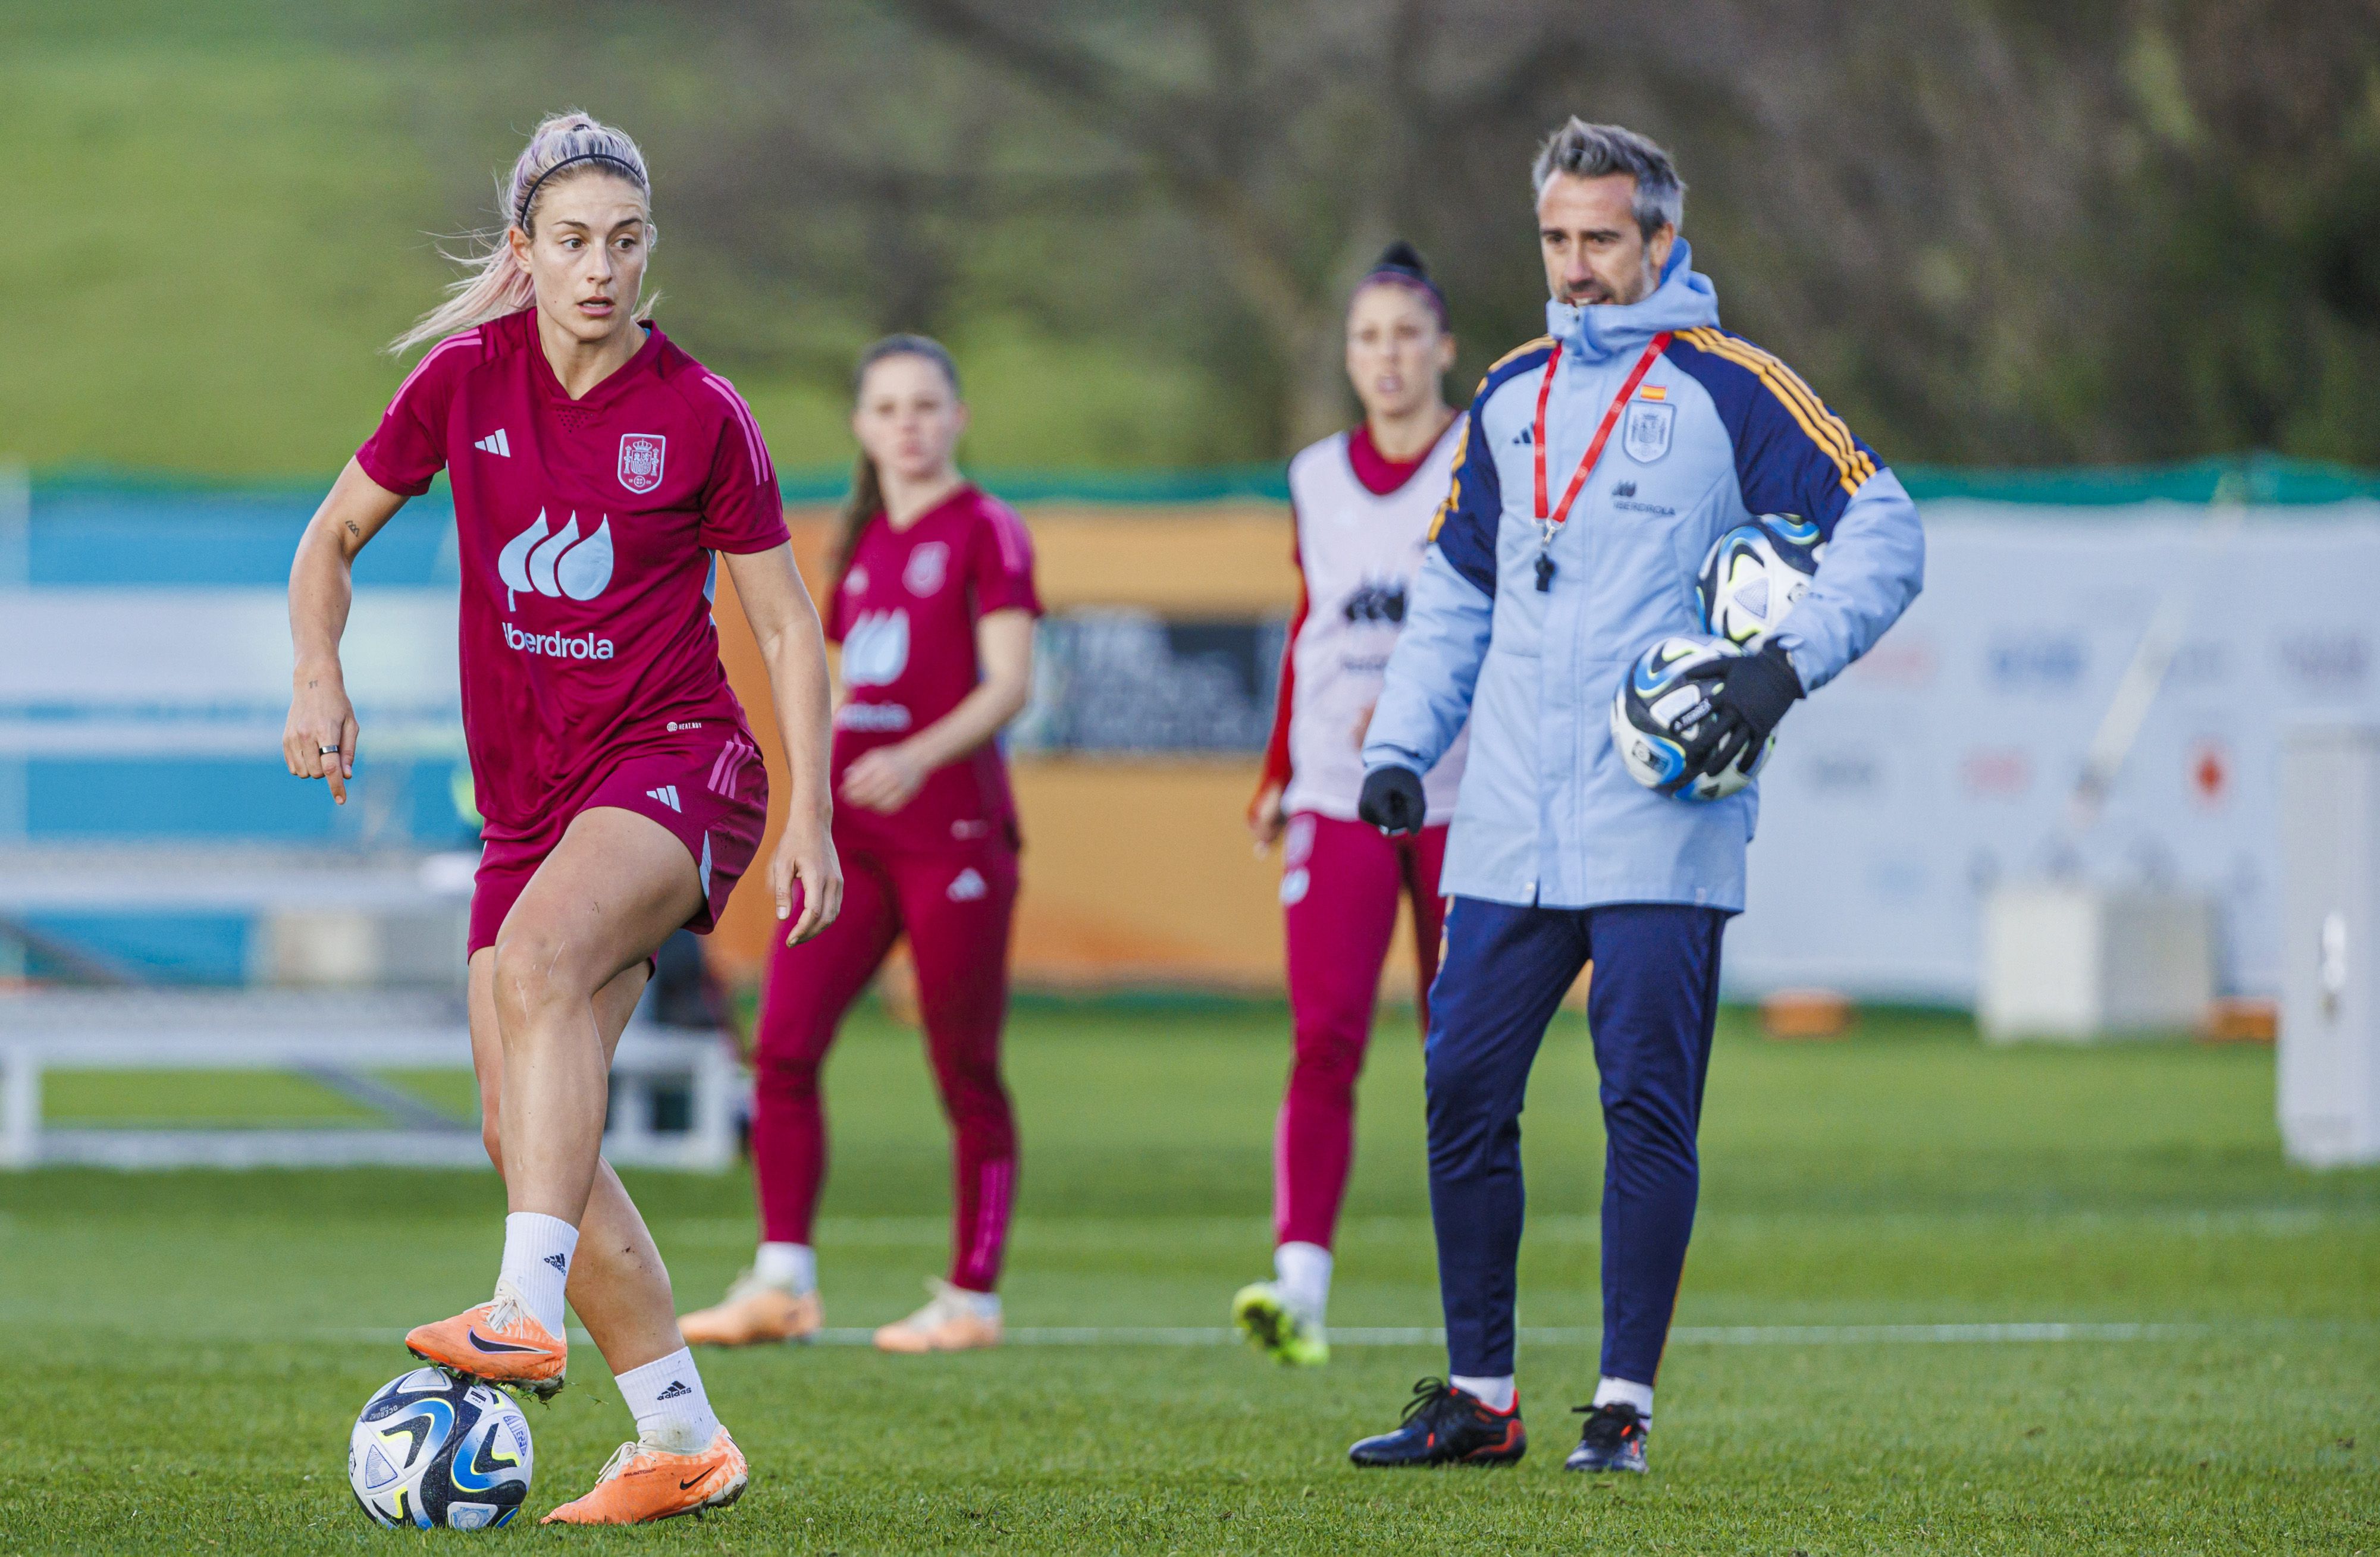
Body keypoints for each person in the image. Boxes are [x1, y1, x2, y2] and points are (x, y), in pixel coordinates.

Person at [282, 111, 842, 1524]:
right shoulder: (463, 384)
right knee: (527, 1132)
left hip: (682, 767)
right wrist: (316, 674)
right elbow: (330, 538)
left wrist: (815, 821)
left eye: (627, 243)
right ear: (524, 251)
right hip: (530, 812)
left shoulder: (702, 412)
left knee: (534, 970)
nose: (602, 270)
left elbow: (786, 627)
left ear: (650, 252)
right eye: (575, 243)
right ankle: (679, 1436)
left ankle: (519, 1312)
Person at [1343, 120, 1924, 1473]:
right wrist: (1398, 745)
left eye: (1604, 239)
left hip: (1662, 814)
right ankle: (1480, 1396)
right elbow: (1457, 596)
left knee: (1644, 1105)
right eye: (1558, 238)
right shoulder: (1507, 394)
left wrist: (1784, 672)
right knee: (1459, 1086)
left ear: (1662, 240)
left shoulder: (1737, 388)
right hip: (1507, 824)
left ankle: (1623, 1404)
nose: (1578, 265)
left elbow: (1883, 530)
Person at [678, 335, 1040, 1355]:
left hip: (953, 834)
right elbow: (833, 684)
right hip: (854, 838)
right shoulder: (860, 542)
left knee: (963, 1064)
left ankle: (972, 1296)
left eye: (926, 404)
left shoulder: (986, 531)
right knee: (784, 1047)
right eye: (887, 408)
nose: (908, 424)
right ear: (861, 425)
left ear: (958, 416)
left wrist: (918, 756)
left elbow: (1009, 682)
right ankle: (782, 1280)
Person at [1230, 243, 1470, 1367]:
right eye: (1367, 337)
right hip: (1334, 786)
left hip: (1460, 791)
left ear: (1443, 349)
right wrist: (1280, 765)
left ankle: (1473, 1288)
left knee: (1461, 1046)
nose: (1386, 356)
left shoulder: (1485, 458)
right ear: (1348, 354)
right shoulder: (1314, 474)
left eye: (1405, 335)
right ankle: (1299, 1283)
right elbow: (1310, 621)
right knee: (1324, 1038)